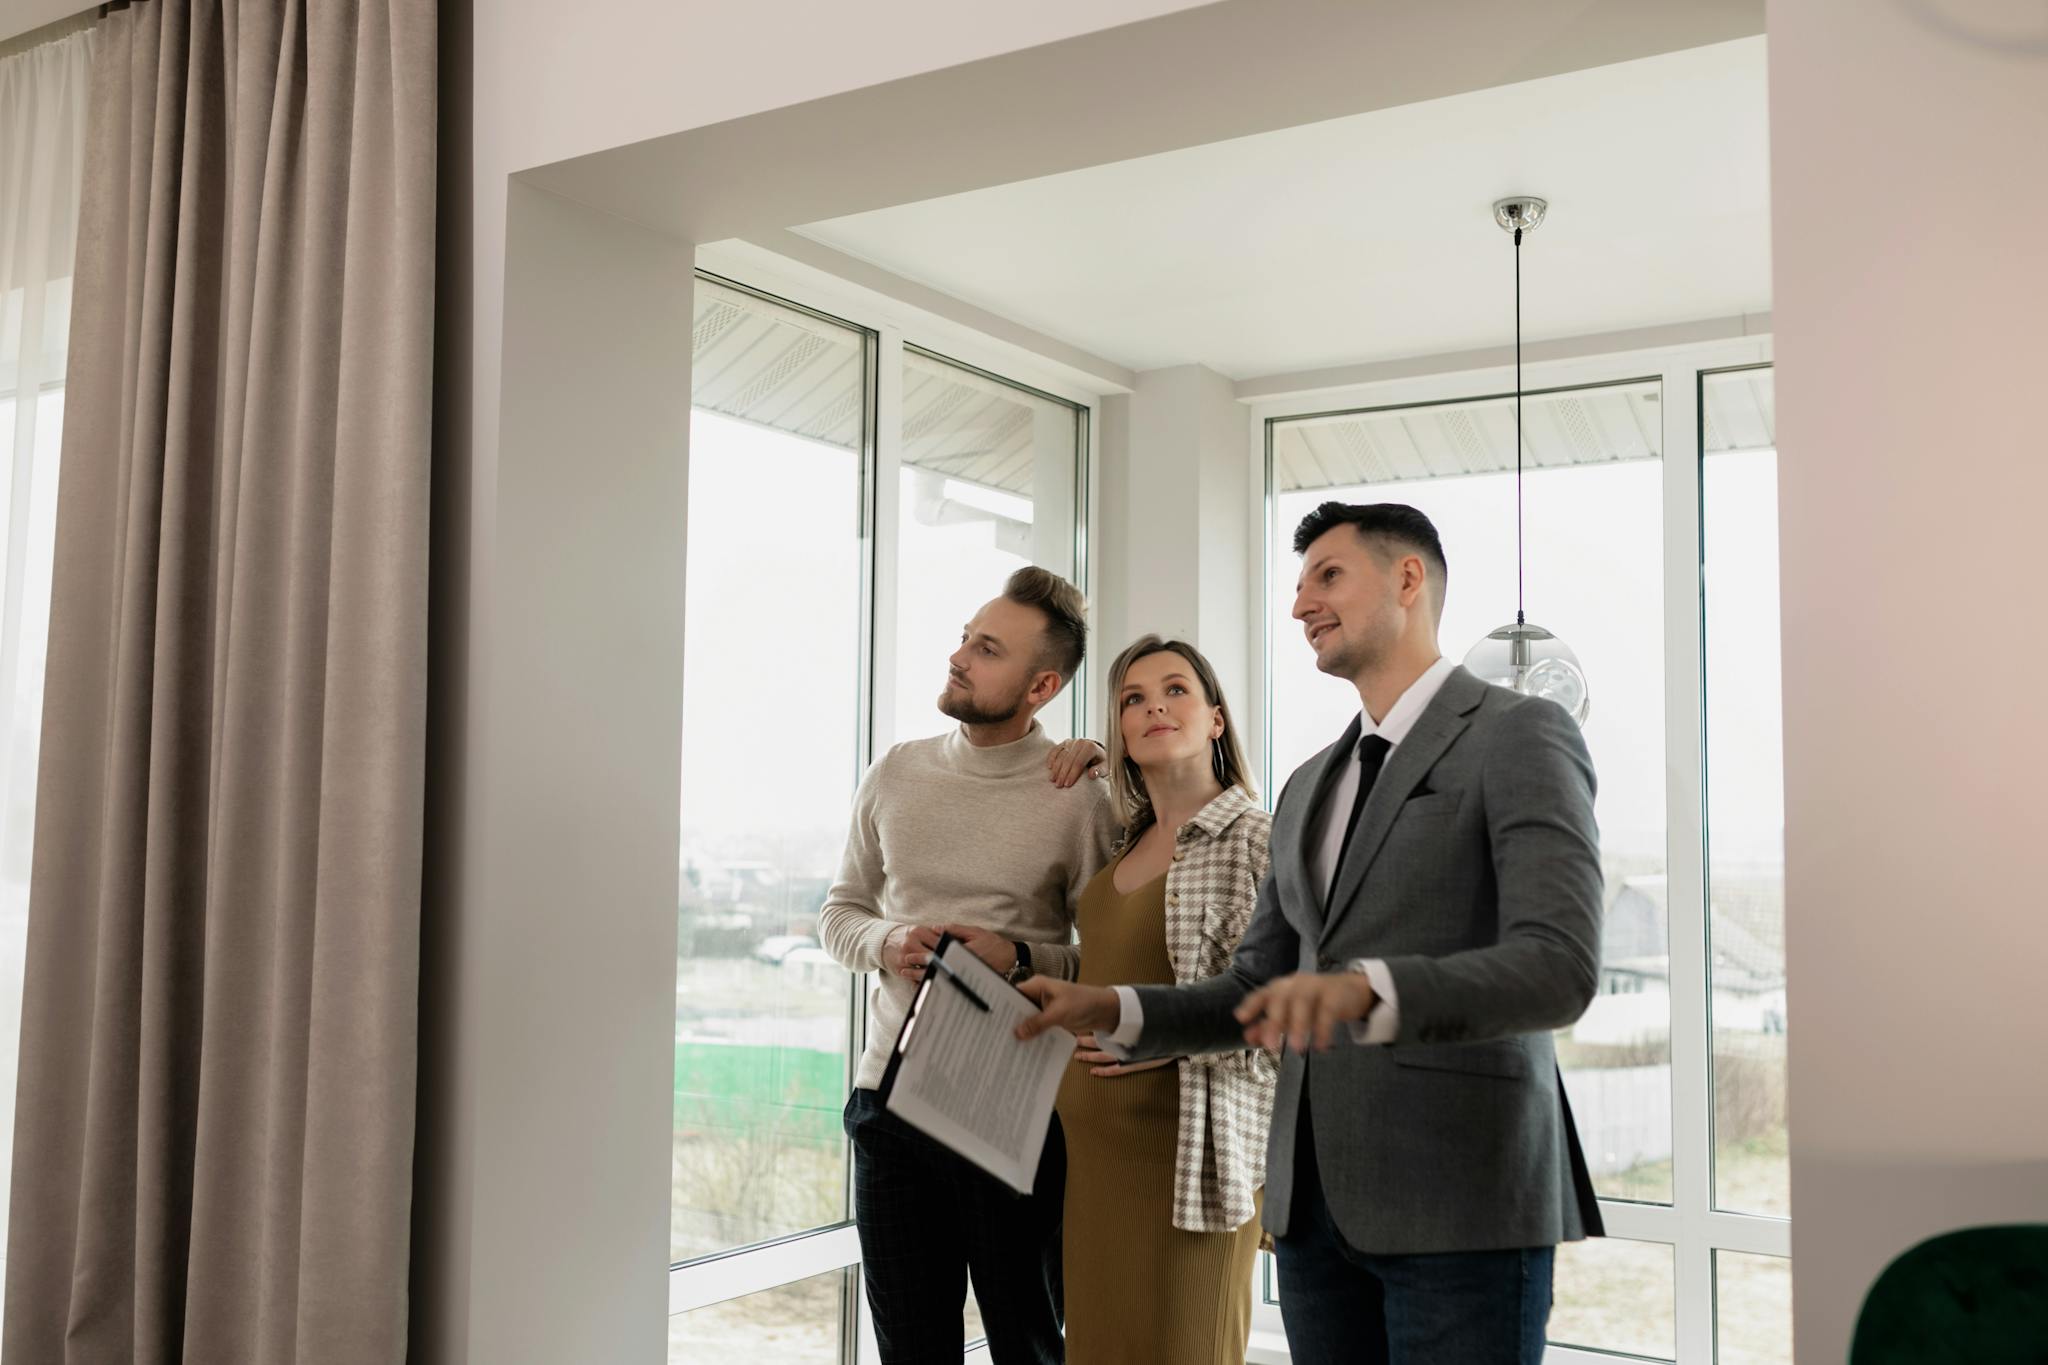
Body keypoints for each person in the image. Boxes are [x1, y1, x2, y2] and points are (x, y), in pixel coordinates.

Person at [1019, 502, 1605, 1365]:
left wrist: (1369, 988)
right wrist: (1107, 1002)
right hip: (1313, 1215)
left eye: (1327, 576)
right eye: (1297, 585)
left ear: (1408, 579)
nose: (1300, 604)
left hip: (1460, 1199)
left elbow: (1559, 965)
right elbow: (1251, 989)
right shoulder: (1308, 784)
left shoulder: (1520, 734)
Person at [819, 566, 1118, 1365]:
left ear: (1041, 684)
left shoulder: (1080, 793)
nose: (959, 657)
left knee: (1027, 1345)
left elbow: (1110, 961)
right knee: (911, 1350)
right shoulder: (896, 770)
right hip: (888, 1101)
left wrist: (1018, 956)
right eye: (965, 636)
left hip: (1012, 1111)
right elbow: (839, 912)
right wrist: (889, 941)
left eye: (987, 649)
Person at [1056, 635, 1276, 1364]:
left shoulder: (1256, 841)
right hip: (1093, 1165)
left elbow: (1283, 1010)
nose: (1154, 704)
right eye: (1132, 698)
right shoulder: (1122, 843)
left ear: (1217, 718)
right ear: (1119, 733)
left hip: (1190, 1163)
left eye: (1176, 689)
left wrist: (1161, 1037)